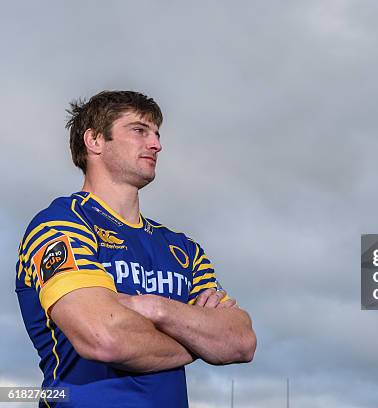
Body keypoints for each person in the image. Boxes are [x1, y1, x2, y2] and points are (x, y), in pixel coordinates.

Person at [15, 91, 257, 407]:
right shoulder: (61, 224)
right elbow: (104, 338)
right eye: (140, 130)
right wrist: (198, 339)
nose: (156, 144)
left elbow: (240, 341)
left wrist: (155, 308)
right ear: (95, 141)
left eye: (156, 134)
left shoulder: (182, 248)